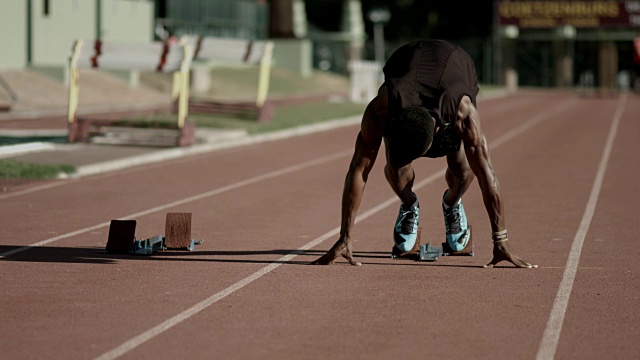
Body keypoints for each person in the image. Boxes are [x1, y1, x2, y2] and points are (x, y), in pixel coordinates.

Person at [311, 39, 537, 268]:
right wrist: (345, 237)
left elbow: (487, 173)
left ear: (439, 130)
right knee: (396, 168)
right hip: (407, 65)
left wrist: (501, 239)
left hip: (454, 66)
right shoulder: (381, 109)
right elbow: (358, 169)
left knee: (464, 170)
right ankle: (409, 205)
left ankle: (453, 203)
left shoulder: (462, 112)